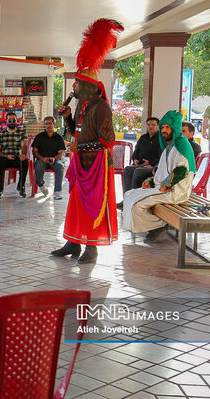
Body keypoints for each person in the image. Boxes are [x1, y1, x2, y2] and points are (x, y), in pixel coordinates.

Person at [51, 18, 122, 264]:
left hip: (97, 166)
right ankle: (73, 242)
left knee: (95, 207)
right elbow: (75, 133)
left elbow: (107, 142)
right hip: (82, 163)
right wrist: (69, 118)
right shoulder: (82, 105)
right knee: (78, 205)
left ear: (90, 86)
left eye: (77, 83)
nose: (74, 86)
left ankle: (92, 249)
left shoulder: (102, 107)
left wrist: (77, 147)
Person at [123, 111, 196, 240]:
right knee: (129, 195)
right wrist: (150, 181)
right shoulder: (170, 146)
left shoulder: (181, 145)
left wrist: (166, 184)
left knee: (137, 205)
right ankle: (157, 226)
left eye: (168, 127)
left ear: (175, 128)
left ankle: (160, 226)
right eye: (163, 127)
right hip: (163, 187)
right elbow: (163, 171)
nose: (164, 130)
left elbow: (182, 170)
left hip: (175, 191)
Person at [121, 116, 160, 197]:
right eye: (149, 125)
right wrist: (135, 159)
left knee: (138, 171)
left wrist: (151, 163)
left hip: (152, 166)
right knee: (128, 169)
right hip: (140, 164)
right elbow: (136, 151)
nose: (150, 127)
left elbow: (161, 155)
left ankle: (133, 197)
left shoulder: (161, 139)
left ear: (158, 126)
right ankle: (126, 197)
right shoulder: (143, 138)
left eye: (153, 125)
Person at [0, 112, 29, 198]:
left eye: (14, 120)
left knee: (24, 163)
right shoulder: (1, 134)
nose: (12, 122)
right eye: (10, 120)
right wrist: (6, 156)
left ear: (16, 121)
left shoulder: (22, 133)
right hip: (5, 156)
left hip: (16, 156)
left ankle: (21, 186)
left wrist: (23, 154)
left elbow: (24, 146)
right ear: (6, 121)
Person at [31, 115, 66, 200]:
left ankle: (57, 192)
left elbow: (60, 153)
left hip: (55, 160)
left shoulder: (58, 138)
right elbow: (34, 151)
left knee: (60, 167)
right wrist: (43, 158)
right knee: (38, 167)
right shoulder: (39, 136)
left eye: (50, 123)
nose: (48, 126)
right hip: (42, 159)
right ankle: (41, 185)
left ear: (54, 124)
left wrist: (54, 158)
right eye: (46, 124)